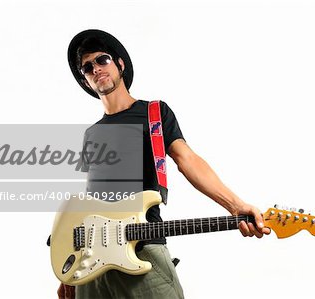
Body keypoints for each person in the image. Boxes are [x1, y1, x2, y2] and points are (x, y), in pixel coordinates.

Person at [58, 29, 270, 299]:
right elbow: (89, 203)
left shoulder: (154, 113)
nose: (95, 69)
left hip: (142, 249)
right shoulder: (92, 134)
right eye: (87, 67)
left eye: (102, 60)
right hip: (90, 264)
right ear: (86, 81)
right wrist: (68, 268)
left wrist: (235, 205)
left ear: (120, 64)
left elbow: (188, 160)